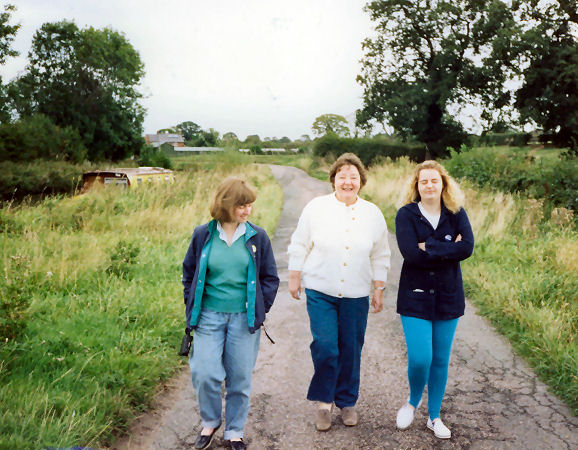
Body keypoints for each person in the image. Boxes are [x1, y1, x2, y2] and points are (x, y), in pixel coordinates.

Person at [288, 152, 391, 431]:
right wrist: (294, 274)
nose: (348, 181)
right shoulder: (316, 207)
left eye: (353, 177)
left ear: (361, 182)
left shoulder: (373, 213)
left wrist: (378, 287)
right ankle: (324, 402)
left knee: (351, 348)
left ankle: (347, 401)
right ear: (333, 179)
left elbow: (381, 253)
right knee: (325, 346)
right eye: (342, 176)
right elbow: (299, 243)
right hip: (321, 289)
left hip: (356, 294)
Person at [182, 178, 279, 450]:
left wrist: (262, 308)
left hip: (244, 319)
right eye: (241, 206)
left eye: (249, 205)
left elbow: (270, 277)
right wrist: (191, 305)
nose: (247, 211)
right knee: (205, 372)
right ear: (225, 205)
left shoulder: (257, 236)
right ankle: (210, 421)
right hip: (209, 317)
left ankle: (234, 430)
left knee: (239, 377)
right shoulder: (203, 234)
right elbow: (188, 273)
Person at [394, 160, 474, 439]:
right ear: (416, 186)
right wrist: (448, 248)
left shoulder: (456, 213)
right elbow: (410, 255)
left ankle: (434, 416)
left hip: (448, 296)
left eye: (434, 180)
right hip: (414, 296)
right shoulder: (405, 215)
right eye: (423, 181)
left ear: (443, 184)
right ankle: (412, 401)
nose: (429, 185)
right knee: (420, 358)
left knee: (440, 359)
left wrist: (429, 246)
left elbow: (467, 248)